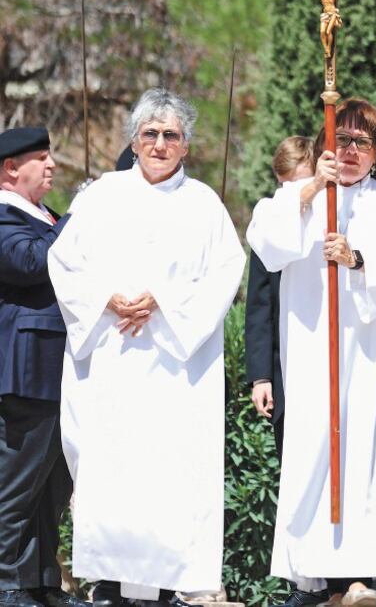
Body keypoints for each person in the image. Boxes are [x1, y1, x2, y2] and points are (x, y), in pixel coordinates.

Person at [48, 89, 246, 607]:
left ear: (186, 146)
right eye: (150, 134)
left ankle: (167, 584)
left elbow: (226, 271)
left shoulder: (204, 204)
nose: (160, 144)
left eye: (171, 135)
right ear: (134, 140)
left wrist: (163, 301)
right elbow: (65, 263)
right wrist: (105, 299)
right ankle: (109, 582)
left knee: (172, 471)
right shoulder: (99, 196)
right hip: (111, 358)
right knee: (111, 467)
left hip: (178, 366)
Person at [246, 99, 376, 601]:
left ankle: (370, 573)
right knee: (315, 455)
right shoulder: (296, 200)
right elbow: (266, 242)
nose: (349, 151)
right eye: (340, 140)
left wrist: (357, 259)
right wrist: (310, 189)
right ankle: (314, 572)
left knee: (375, 459)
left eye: (361, 142)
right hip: (313, 353)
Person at [0, 128, 85, 607]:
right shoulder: (4, 214)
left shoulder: (43, 215)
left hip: (60, 370)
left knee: (52, 486)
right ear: (12, 168)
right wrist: (76, 218)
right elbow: (30, 261)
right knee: (14, 487)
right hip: (26, 369)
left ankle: (42, 581)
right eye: (41, 158)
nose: (51, 165)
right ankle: (5, 582)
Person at [246, 136, 316, 459]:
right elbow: (259, 305)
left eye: (302, 185)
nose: (297, 195)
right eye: (287, 187)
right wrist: (261, 377)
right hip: (283, 365)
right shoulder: (270, 221)